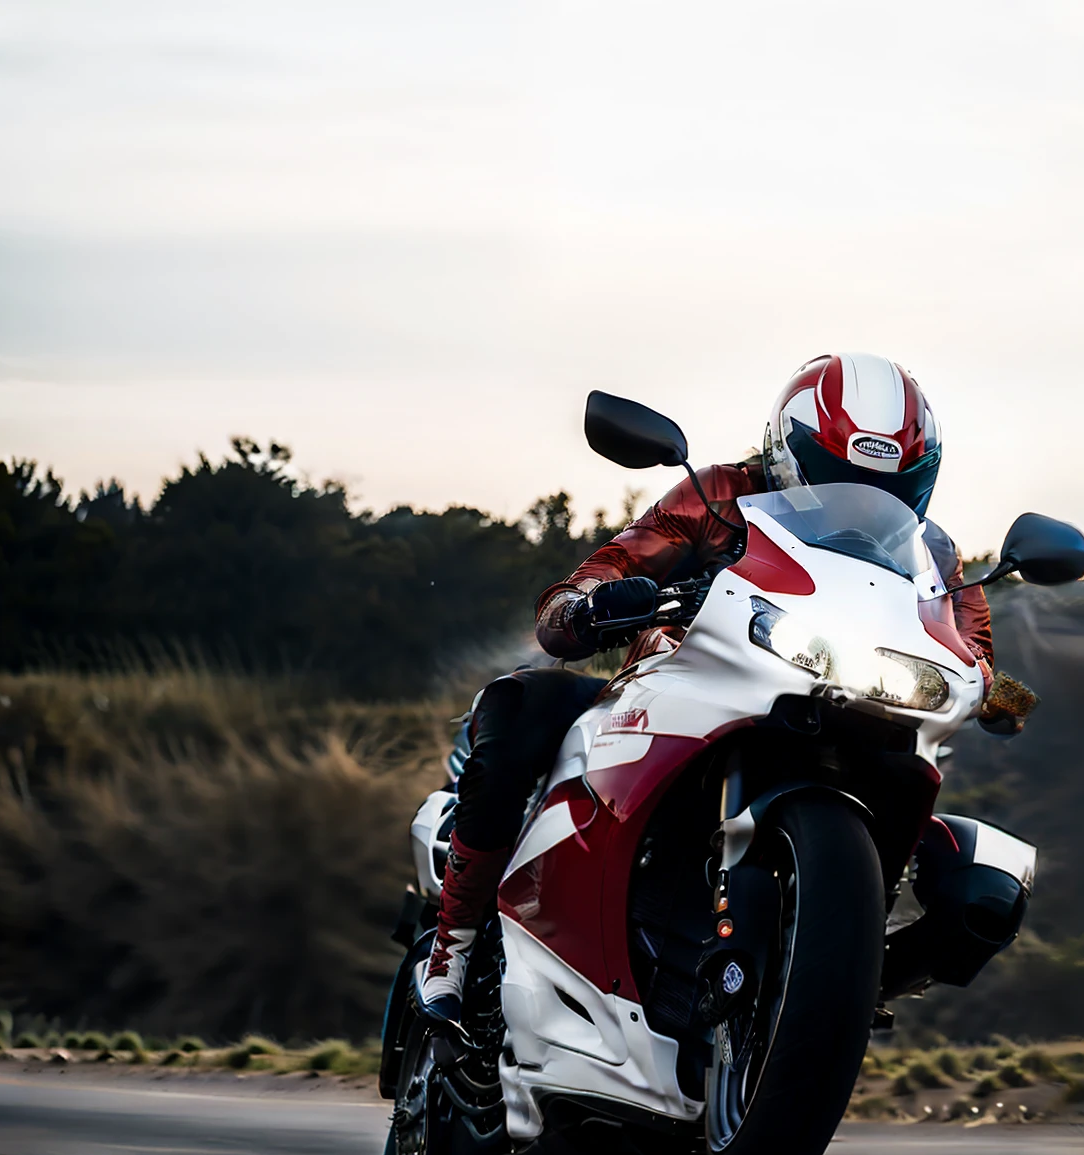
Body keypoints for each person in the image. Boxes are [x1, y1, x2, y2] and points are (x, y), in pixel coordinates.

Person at [416, 353, 1017, 1025]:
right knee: (520, 704)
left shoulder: (931, 559)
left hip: (847, 709)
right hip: (677, 694)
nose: (859, 498)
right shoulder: (717, 496)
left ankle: (834, 980)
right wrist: (587, 602)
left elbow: (972, 646)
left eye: (885, 485)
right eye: (838, 474)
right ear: (789, 449)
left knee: (987, 882)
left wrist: (992, 688)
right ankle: (456, 940)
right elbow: (615, 562)